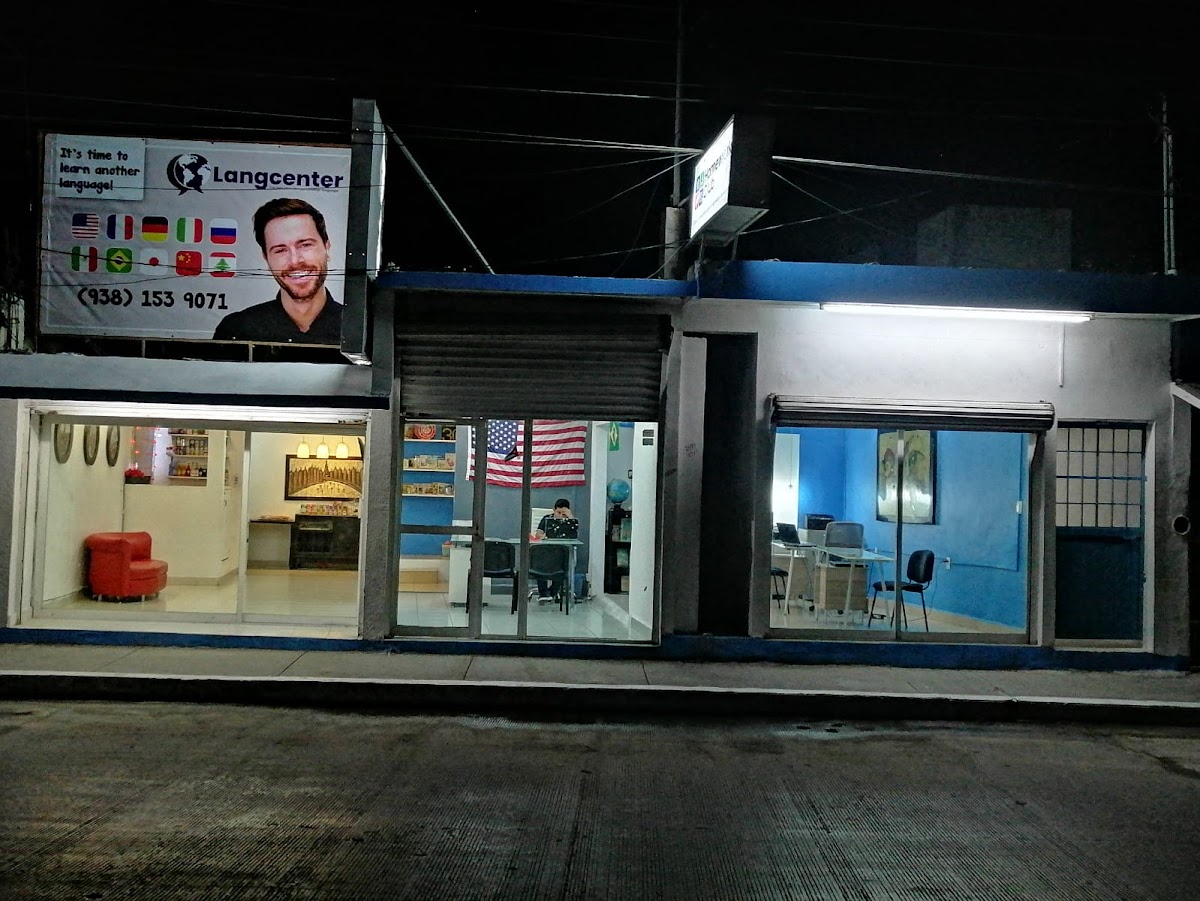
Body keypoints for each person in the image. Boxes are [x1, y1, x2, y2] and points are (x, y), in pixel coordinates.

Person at [212, 197, 342, 344]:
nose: (295, 261)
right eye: (280, 250)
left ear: (326, 247)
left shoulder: (358, 329)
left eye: (305, 245)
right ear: (266, 258)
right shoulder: (237, 330)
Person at [534, 498, 573, 601]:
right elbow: (538, 534)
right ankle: (543, 593)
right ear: (554, 510)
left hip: (561, 552)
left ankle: (552, 592)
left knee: (563, 567)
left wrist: (570, 518)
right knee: (539, 563)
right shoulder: (547, 519)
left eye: (563, 513)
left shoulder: (570, 522)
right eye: (558, 512)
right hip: (546, 551)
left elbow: (574, 536)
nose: (560, 515)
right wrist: (543, 536)